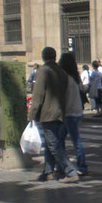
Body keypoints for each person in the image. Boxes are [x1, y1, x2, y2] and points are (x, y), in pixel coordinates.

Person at [28, 47, 79, 183]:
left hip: (48, 113)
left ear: (44, 57)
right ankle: (48, 171)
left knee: (53, 144)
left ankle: (70, 171)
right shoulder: (61, 72)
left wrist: (31, 114)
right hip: (60, 112)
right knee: (53, 143)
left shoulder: (43, 71)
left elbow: (38, 95)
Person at [58, 53, 88, 176]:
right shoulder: (76, 77)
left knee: (71, 141)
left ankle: (80, 166)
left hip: (69, 112)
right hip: (76, 111)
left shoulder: (65, 78)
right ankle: (61, 165)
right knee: (60, 139)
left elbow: (63, 97)